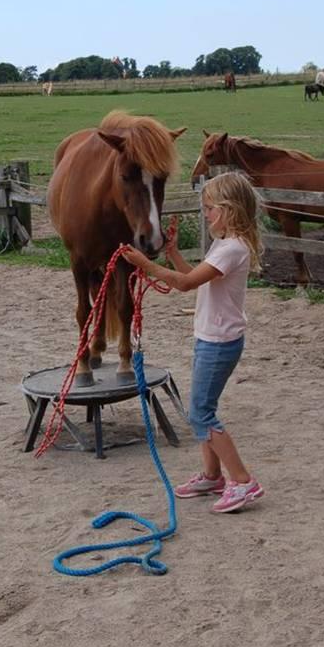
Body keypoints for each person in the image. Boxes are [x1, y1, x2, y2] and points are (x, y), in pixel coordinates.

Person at [123, 171, 265, 513]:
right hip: (211, 339)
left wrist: (146, 265)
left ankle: (244, 482)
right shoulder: (225, 244)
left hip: (219, 343)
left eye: (209, 208)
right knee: (204, 409)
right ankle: (212, 475)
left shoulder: (232, 248)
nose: (205, 214)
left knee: (201, 413)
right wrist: (171, 254)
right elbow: (195, 278)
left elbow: (185, 285)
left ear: (229, 209)